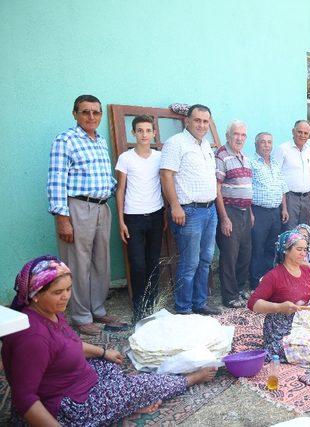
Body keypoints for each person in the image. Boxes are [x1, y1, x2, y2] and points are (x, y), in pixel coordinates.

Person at [1, 256, 215, 426]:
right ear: (35, 294)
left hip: (75, 378)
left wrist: (103, 353)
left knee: (111, 366)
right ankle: (191, 379)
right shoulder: (32, 337)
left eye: (68, 289)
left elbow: (67, 345)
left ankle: (123, 405)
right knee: (142, 385)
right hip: (68, 405)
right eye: (58, 292)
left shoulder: (49, 312)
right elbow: (25, 399)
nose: (65, 296)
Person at [47, 94, 123, 335]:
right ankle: (81, 316)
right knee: (78, 264)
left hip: (102, 207)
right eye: (85, 112)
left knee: (101, 261)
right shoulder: (65, 140)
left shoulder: (100, 141)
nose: (91, 116)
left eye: (96, 112)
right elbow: (56, 180)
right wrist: (62, 218)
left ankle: (98, 310)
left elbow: (105, 178)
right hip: (77, 208)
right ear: (75, 114)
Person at [160, 104, 219, 315]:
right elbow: (166, 175)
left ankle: (199, 302)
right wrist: (175, 206)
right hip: (189, 212)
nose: (202, 125)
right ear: (188, 121)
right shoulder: (176, 143)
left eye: (205, 121)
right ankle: (183, 307)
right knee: (189, 263)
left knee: (205, 260)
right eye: (197, 120)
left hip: (210, 210)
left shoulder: (206, 146)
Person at [247, 231, 310, 362]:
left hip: (308, 321)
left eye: (305, 249)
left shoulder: (308, 271)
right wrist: (279, 307)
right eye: (299, 249)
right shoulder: (274, 276)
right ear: (286, 250)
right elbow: (253, 303)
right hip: (285, 328)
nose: (303, 254)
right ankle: (276, 349)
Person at [115, 115, 164, 322]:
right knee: (138, 264)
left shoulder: (160, 157)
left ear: (153, 133)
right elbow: (120, 190)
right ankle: (139, 307)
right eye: (140, 130)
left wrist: (166, 215)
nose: (144, 134)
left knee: (153, 262)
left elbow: (165, 185)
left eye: (148, 130)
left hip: (156, 214)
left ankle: (152, 304)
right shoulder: (126, 158)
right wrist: (121, 221)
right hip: (133, 216)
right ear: (133, 133)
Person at [215, 121, 253, 308]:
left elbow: (247, 187)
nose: (239, 138)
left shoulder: (244, 157)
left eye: (243, 135)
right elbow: (217, 188)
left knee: (245, 254)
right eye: (236, 134)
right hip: (230, 212)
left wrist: (251, 212)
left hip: (246, 212)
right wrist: (224, 218)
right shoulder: (222, 155)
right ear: (228, 135)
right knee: (230, 255)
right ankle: (229, 296)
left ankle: (238, 289)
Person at [249, 132, 289, 289]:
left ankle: (268, 280)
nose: (266, 145)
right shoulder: (251, 163)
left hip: (275, 212)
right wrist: (250, 213)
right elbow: (247, 190)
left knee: (272, 247)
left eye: (269, 142)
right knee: (257, 247)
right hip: (259, 212)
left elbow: (282, 188)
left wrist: (284, 208)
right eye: (263, 142)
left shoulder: (275, 163)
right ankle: (255, 282)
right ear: (256, 144)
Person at [273, 120, 310, 230]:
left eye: (306, 133)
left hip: (306, 198)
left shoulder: (308, 150)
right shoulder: (282, 149)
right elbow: (276, 177)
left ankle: (303, 248)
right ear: (293, 131)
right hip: (290, 198)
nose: (302, 135)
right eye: (299, 132)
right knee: (289, 233)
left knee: (304, 231)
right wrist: (284, 206)